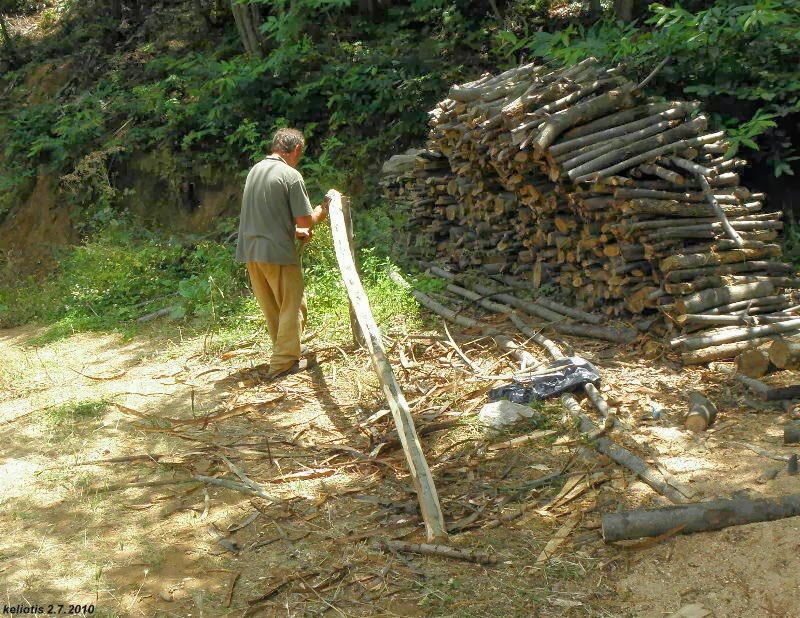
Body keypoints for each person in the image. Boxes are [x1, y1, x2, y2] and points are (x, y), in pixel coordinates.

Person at [236, 128, 329, 379]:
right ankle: (284, 362)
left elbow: (272, 214)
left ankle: (287, 349)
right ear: (296, 149)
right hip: (276, 251)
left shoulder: (255, 170)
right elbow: (305, 220)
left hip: (250, 250)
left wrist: (296, 231)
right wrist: (322, 210)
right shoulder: (290, 175)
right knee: (292, 305)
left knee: (273, 307)